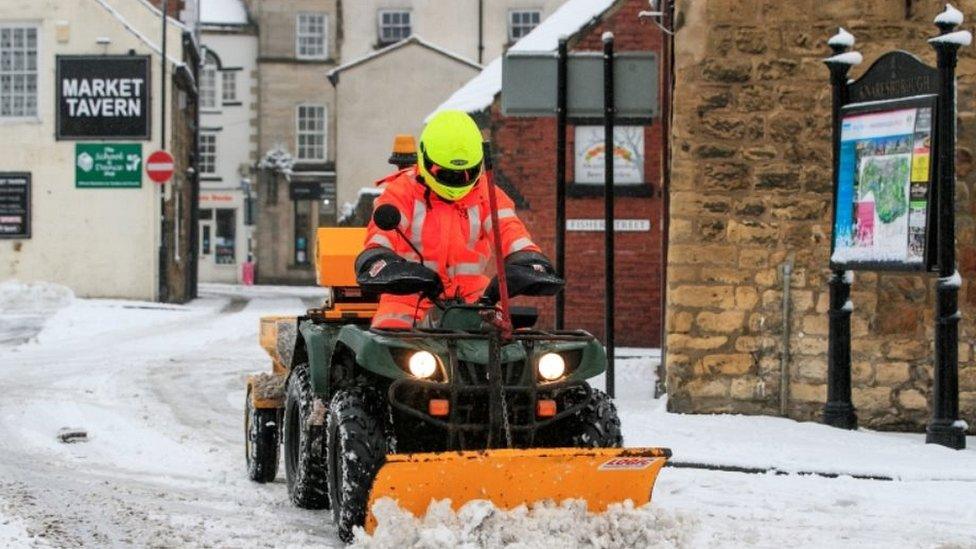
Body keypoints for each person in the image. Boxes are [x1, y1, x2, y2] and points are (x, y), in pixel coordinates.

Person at [355, 110, 560, 329]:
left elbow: (509, 230)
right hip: (407, 296)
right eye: (447, 174)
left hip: (474, 299)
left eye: (467, 173)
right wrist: (381, 263)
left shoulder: (487, 193)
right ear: (425, 159)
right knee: (387, 342)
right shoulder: (401, 192)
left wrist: (529, 260)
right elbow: (379, 239)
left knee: (509, 344)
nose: (458, 180)